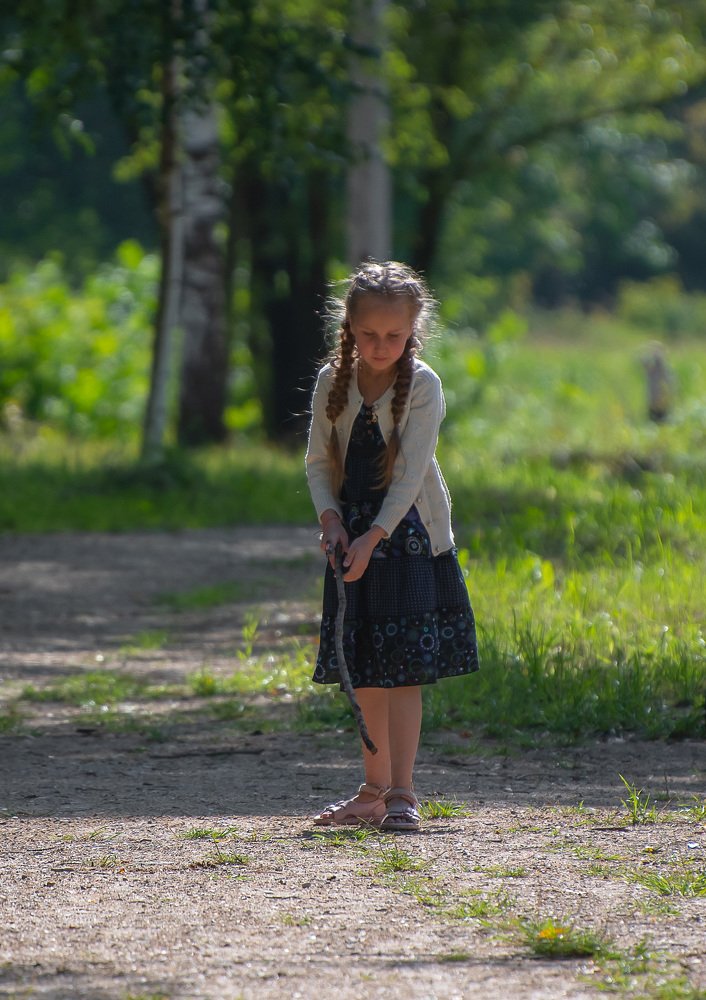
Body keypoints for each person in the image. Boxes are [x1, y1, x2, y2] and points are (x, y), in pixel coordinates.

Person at [305, 260, 479, 832]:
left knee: (402, 672)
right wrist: (332, 522)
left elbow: (409, 477)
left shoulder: (423, 386)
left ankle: (402, 792)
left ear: (413, 332)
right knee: (366, 668)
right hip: (351, 535)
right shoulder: (333, 381)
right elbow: (316, 464)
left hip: (406, 539)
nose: (381, 346)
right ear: (350, 328)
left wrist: (373, 536)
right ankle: (371, 789)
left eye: (395, 336)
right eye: (369, 334)